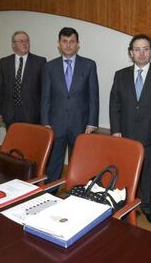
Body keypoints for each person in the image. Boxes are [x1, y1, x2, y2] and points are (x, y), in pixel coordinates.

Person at [109, 34, 151, 224]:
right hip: (125, 135)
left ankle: (147, 207)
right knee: (126, 172)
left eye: (146, 49)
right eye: (137, 49)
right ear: (131, 53)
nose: (142, 53)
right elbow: (115, 105)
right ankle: (126, 205)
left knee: (149, 175)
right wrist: (116, 130)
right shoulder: (120, 75)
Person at [41, 27, 99, 184]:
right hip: (55, 124)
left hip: (80, 124)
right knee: (53, 164)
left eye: (72, 41)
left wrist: (92, 122)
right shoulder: (49, 67)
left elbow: (93, 96)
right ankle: (50, 193)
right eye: (64, 41)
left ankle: (76, 195)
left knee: (79, 164)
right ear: (59, 44)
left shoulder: (89, 65)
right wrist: (45, 121)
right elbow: (45, 96)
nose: (68, 45)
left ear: (78, 44)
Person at [0, 31, 46, 129]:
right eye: (21, 41)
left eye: (27, 41)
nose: (25, 43)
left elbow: (44, 91)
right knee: (13, 142)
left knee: (31, 143)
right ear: (13, 44)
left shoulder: (40, 62)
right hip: (10, 113)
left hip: (32, 114)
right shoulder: (4, 62)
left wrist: (44, 115)